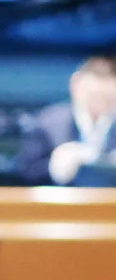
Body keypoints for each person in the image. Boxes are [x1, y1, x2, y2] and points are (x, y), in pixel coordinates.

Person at [16, 55, 116, 185]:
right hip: (60, 196)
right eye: (94, 96)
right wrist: (53, 167)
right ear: (76, 86)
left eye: (108, 99)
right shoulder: (47, 124)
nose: (100, 105)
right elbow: (24, 172)